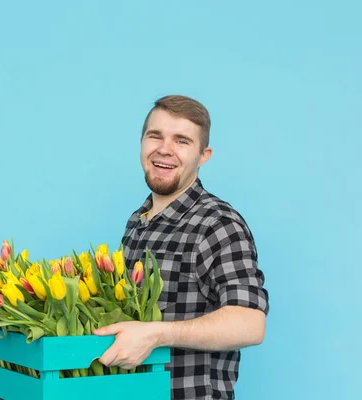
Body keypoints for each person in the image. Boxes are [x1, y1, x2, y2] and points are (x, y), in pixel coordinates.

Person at [93, 95, 270, 400]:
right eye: (155, 136)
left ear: (204, 155)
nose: (164, 149)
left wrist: (159, 333)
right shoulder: (138, 221)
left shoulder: (216, 223)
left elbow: (250, 323)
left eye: (182, 141)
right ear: (141, 143)